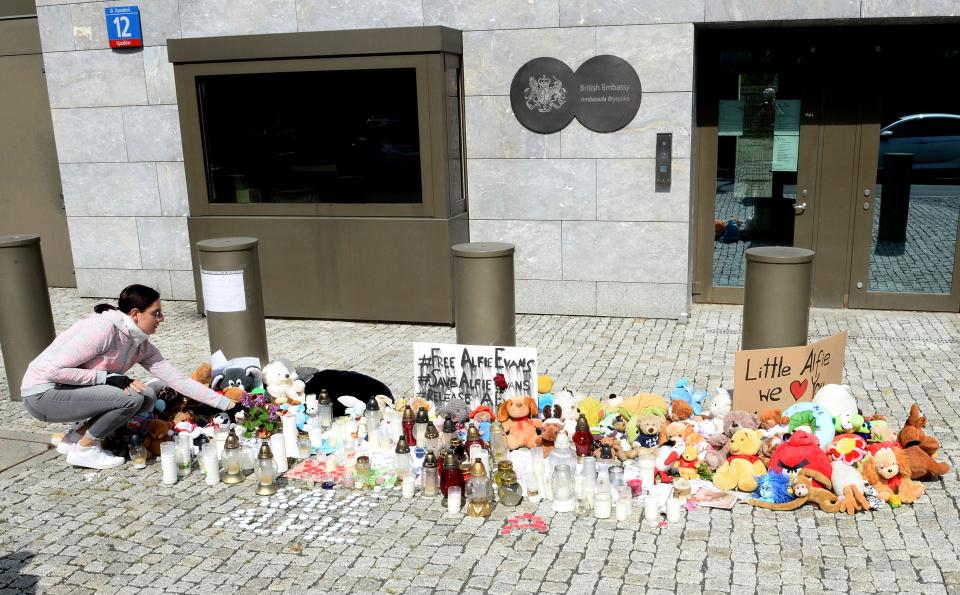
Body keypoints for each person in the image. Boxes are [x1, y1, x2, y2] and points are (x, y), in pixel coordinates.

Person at [20, 284, 235, 470]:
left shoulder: (140, 344)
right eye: (156, 313)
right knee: (132, 397)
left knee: (148, 396)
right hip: (42, 394)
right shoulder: (103, 329)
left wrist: (229, 404)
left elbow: (178, 380)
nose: (162, 319)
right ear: (135, 313)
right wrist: (106, 378)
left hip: (65, 392)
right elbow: (53, 371)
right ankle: (85, 450)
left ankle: (74, 439)